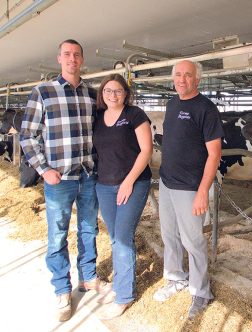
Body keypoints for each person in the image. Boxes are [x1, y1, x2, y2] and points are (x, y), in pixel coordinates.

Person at [20, 39, 111, 322]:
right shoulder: (43, 92)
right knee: (58, 234)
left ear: (82, 60)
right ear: (59, 58)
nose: (72, 59)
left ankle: (88, 276)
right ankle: (62, 288)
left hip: (87, 175)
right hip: (59, 179)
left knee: (88, 229)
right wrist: (43, 169)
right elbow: (27, 136)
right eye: (67, 54)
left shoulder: (91, 94)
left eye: (77, 55)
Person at [153, 60, 224, 319]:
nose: (181, 79)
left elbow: (214, 154)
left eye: (188, 75)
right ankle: (175, 278)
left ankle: (200, 290)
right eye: (178, 75)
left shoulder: (206, 108)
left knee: (193, 240)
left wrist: (203, 190)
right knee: (169, 234)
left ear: (198, 80)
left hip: (190, 188)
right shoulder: (172, 104)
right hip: (167, 182)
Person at [93, 74, 153, 319]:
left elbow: (146, 150)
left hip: (134, 183)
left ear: (126, 94)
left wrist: (128, 181)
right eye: (108, 91)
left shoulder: (135, 115)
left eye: (117, 91)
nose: (112, 95)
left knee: (123, 237)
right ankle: (120, 286)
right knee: (115, 238)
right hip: (104, 185)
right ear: (102, 93)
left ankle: (124, 296)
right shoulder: (97, 117)